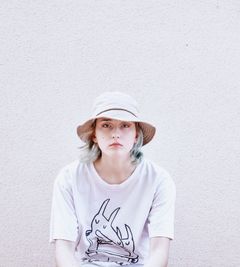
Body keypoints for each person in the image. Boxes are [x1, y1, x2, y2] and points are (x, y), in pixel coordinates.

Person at [49, 91, 176, 267]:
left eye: (125, 125)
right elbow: (63, 249)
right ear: (94, 134)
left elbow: (159, 251)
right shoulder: (69, 178)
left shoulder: (158, 180)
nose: (116, 134)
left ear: (136, 135)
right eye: (106, 125)